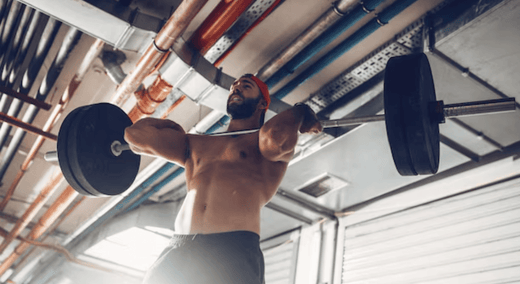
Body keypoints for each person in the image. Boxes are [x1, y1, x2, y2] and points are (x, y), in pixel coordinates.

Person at [124, 74, 322, 284]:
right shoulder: (196, 143)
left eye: (245, 86)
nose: (235, 89)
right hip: (179, 248)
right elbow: (135, 136)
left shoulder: (263, 145)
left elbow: (275, 136)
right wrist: (172, 128)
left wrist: (301, 112)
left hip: (231, 249)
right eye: (233, 87)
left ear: (263, 103)